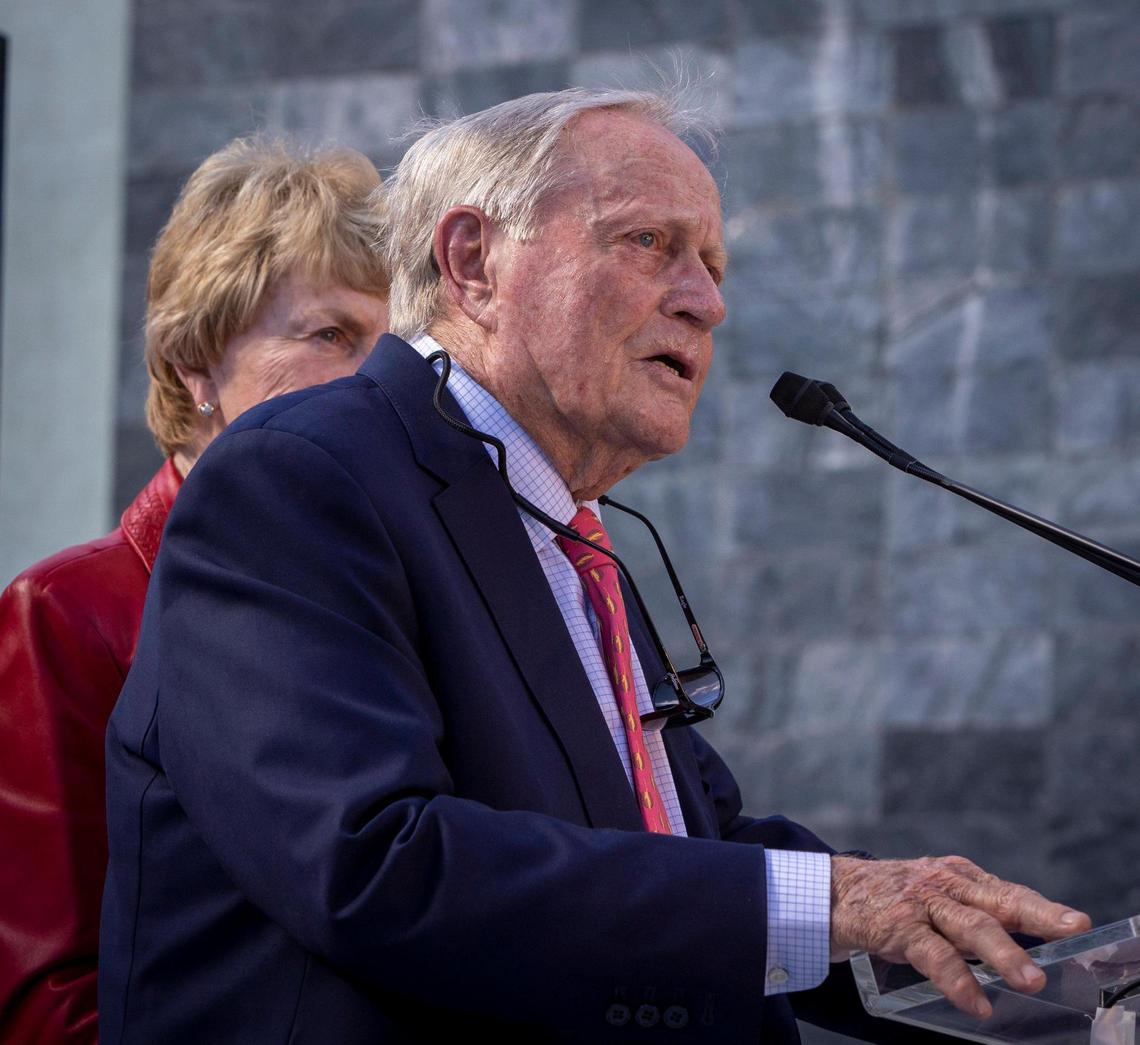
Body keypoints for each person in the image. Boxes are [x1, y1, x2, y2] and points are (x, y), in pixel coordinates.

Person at [99, 89, 1088, 1044]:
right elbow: (374, 863)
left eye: (711, 261)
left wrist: (1043, 988)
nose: (707, 303)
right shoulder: (295, 478)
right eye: (648, 242)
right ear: (473, 261)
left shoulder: (558, 519)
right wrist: (834, 899)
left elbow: (681, 856)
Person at [0, 137, 389, 1043]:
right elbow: (44, 996)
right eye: (331, 334)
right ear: (195, 364)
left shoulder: (394, 586)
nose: (376, 379)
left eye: (390, 342)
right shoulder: (62, 612)